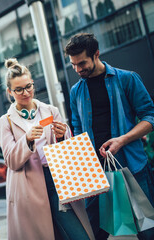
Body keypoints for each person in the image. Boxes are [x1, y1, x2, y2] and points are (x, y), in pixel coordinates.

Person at [65, 32, 154, 239]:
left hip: (132, 166)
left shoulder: (127, 79)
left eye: (82, 63)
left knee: (147, 229)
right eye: (73, 65)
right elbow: (77, 128)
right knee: (95, 232)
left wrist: (123, 139)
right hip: (94, 172)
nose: (78, 69)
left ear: (96, 54)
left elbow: (150, 117)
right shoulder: (76, 91)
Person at [0, 58, 95, 240]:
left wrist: (62, 135)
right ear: (9, 92)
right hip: (28, 188)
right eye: (19, 90)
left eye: (29, 86)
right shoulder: (5, 121)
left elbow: (66, 148)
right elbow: (10, 160)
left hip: (58, 180)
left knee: (78, 235)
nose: (26, 93)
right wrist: (27, 139)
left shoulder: (50, 110)